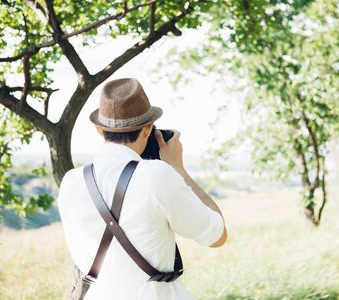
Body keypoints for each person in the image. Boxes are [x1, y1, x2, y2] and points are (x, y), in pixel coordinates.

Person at [58, 78, 227, 300]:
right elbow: (217, 235)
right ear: (148, 129)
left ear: (99, 130)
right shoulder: (156, 174)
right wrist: (178, 168)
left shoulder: (71, 181)